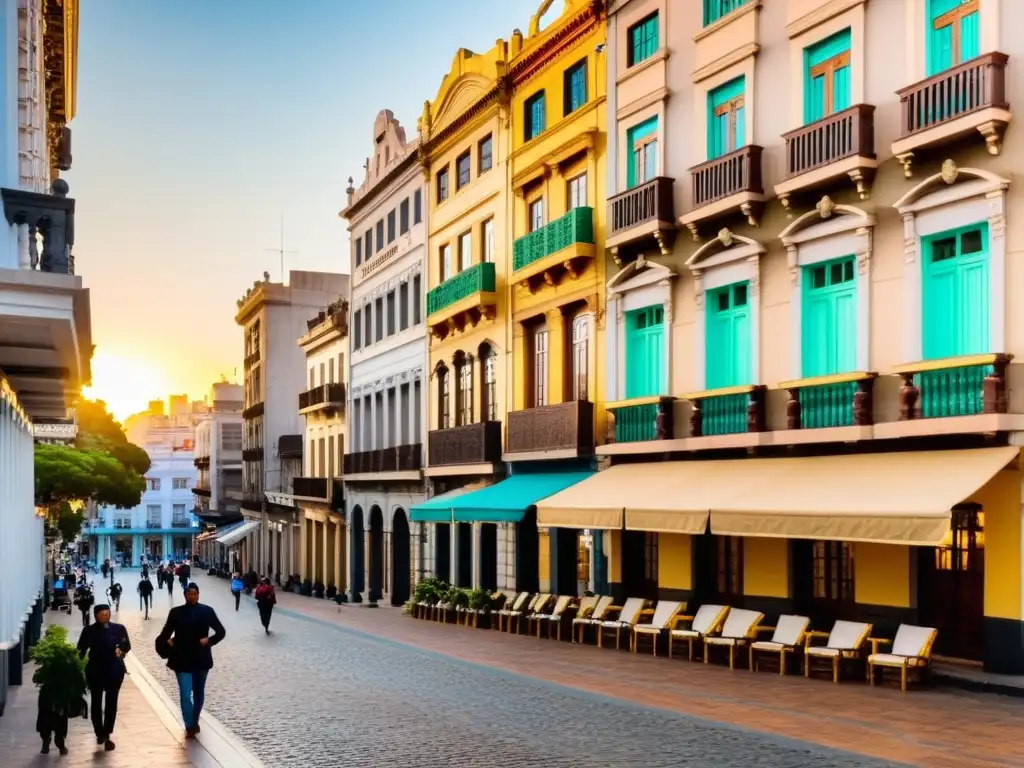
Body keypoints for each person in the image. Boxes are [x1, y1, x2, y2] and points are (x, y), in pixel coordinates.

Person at [155, 582, 226, 738]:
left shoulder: (207, 611)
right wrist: (166, 642)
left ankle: (194, 719)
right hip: (182, 658)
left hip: (201, 657)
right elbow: (166, 632)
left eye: (194, 593)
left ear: (198, 595)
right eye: (188, 593)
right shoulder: (176, 612)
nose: (191, 596)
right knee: (185, 694)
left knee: (199, 692)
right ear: (185, 595)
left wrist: (209, 640)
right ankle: (189, 725)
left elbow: (221, 631)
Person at [77, 604, 130, 752]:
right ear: (95, 615)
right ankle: (98, 732)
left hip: (114, 670)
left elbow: (127, 645)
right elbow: (81, 650)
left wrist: (121, 649)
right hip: (95, 671)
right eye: (101, 615)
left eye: (107, 614)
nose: (104, 617)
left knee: (111, 703)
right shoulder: (89, 631)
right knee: (96, 702)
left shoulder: (119, 628)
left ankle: (107, 733)